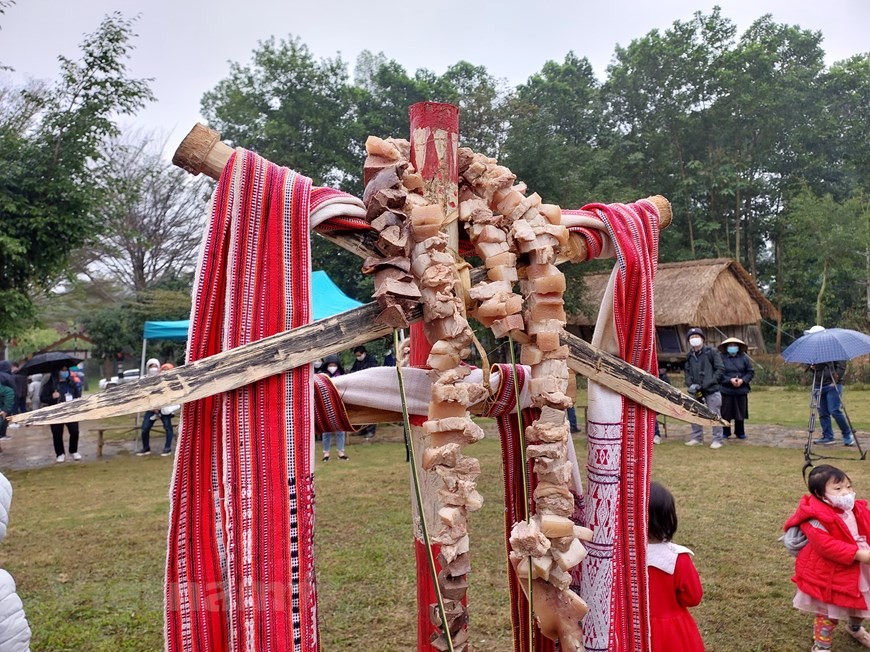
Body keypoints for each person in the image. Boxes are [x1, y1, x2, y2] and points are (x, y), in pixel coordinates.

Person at [784, 464, 870, 651]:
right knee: (829, 611)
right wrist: (857, 554)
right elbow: (825, 546)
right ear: (821, 494)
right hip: (831, 573)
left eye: (849, 486)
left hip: (861, 567)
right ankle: (821, 645)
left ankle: (854, 627)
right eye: (838, 489)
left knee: (863, 602)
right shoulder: (814, 517)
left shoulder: (856, 509)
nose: (846, 492)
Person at [647, 480, 705, 651]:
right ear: (668, 517)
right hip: (671, 635)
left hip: (629, 627)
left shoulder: (621, 556)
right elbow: (693, 597)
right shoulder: (678, 558)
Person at [683, 327, 725, 449]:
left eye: (697, 337)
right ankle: (697, 438)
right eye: (692, 337)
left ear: (702, 339)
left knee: (714, 414)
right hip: (695, 390)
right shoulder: (689, 355)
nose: (694, 339)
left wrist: (709, 383)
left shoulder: (711, 352)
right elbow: (687, 371)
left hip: (711, 389)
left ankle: (717, 439)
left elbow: (720, 369)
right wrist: (690, 384)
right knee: (693, 413)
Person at [40, 366, 82, 462]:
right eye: (62, 370)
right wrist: (52, 397)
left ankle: (73, 450)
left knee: (75, 431)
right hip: (56, 412)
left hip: (70, 411)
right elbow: (43, 398)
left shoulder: (71, 382)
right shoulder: (50, 383)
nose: (65, 372)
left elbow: (77, 394)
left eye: (66, 370)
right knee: (57, 433)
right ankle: (60, 453)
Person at [136, 359, 177, 457]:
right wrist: (153, 407)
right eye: (151, 366)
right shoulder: (144, 380)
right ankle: (146, 448)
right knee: (145, 429)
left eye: (155, 366)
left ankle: (167, 448)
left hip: (163, 408)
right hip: (151, 409)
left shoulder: (163, 379)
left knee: (168, 428)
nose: (153, 368)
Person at [717, 337, 754, 440]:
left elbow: (750, 371)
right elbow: (719, 372)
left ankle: (740, 431)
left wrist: (743, 380)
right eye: (730, 345)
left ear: (738, 347)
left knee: (740, 411)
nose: (732, 347)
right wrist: (729, 380)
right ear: (726, 347)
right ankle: (726, 431)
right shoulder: (721, 358)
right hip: (726, 389)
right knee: (725, 412)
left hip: (741, 389)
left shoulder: (744, 358)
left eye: (734, 345)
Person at [321, 354, 348, 461]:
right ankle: (326, 454)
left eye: (334, 365)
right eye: (330, 365)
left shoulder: (342, 376)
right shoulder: (322, 376)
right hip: (326, 405)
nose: (332, 367)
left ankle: (341, 453)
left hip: (339, 405)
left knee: (340, 430)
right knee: (326, 431)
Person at [350, 346, 378, 440]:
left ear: (364, 353)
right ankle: (362, 429)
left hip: (370, 389)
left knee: (370, 411)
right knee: (361, 411)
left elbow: (374, 374)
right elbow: (353, 371)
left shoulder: (371, 360)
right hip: (360, 390)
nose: (358, 357)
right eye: (356, 355)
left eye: (359, 355)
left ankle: (370, 431)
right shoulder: (357, 362)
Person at [652, 366, 672, 445]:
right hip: (648, 401)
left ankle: (656, 435)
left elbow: (669, 391)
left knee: (651, 412)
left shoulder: (662, 376)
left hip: (660, 402)